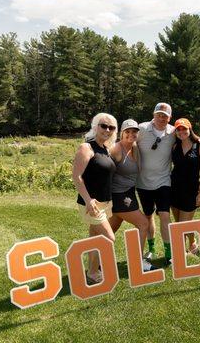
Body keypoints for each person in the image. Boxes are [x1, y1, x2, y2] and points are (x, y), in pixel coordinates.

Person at [72, 113, 117, 283]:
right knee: (108, 239)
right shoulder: (86, 148)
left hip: (105, 202)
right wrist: (88, 199)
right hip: (92, 203)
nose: (107, 130)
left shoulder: (105, 149)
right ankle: (93, 271)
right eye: (103, 126)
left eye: (111, 127)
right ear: (96, 126)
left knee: (95, 238)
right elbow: (77, 176)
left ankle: (91, 272)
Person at [108, 119, 155, 271]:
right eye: (127, 131)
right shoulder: (116, 149)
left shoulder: (135, 147)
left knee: (108, 232)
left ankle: (97, 263)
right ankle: (137, 263)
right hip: (119, 195)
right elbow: (104, 169)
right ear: (122, 133)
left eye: (134, 131)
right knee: (143, 224)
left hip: (129, 192)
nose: (131, 134)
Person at [136, 103, 177, 265]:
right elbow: (127, 142)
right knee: (148, 217)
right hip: (142, 182)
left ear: (170, 118)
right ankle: (151, 250)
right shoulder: (142, 129)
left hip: (163, 181)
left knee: (165, 216)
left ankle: (169, 253)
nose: (161, 118)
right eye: (159, 114)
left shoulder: (173, 132)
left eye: (165, 116)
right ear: (153, 114)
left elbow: (188, 137)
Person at [170, 118, 200, 254]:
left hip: (191, 191)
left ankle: (179, 254)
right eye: (178, 129)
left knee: (182, 225)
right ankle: (192, 243)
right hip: (174, 189)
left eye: (184, 129)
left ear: (189, 129)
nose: (181, 132)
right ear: (175, 132)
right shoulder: (174, 146)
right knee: (180, 224)